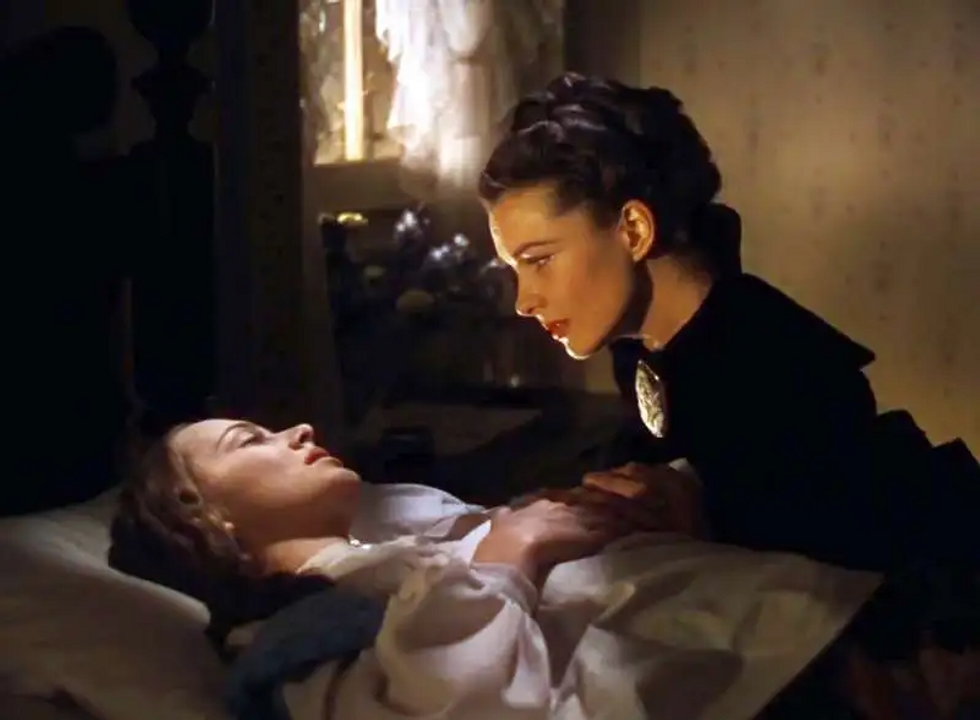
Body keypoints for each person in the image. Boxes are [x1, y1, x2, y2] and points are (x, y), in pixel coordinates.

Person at [478, 72, 980, 576]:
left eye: (539, 260)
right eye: (515, 269)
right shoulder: (642, 348)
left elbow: (836, 548)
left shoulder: (777, 368)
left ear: (633, 229)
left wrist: (703, 516)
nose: (523, 302)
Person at [108, 418, 883, 720]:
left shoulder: (413, 546)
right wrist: (509, 557)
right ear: (205, 518)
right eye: (250, 442)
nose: (298, 429)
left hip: (837, 614)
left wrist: (668, 511)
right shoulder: (297, 643)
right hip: (813, 680)